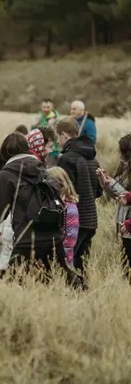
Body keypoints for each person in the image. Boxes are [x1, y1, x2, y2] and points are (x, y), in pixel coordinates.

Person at [0, 132, 66, 276]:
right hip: (52, 233)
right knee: (63, 277)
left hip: (26, 238)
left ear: (4, 152)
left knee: (12, 280)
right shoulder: (41, 168)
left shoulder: (5, 175)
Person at [56, 117, 101, 275]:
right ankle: (84, 295)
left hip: (73, 221)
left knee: (68, 266)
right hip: (91, 221)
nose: (57, 141)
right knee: (82, 266)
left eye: (58, 136)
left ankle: (70, 296)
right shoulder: (92, 158)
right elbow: (99, 191)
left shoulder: (68, 159)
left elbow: (63, 192)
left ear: (64, 135)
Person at [96, 134, 131, 276]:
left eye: (120, 150)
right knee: (125, 267)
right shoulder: (123, 170)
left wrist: (113, 183)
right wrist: (104, 183)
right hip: (122, 224)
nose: (117, 154)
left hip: (129, 226)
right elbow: (118, 197)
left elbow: (127, 197)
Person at [48, 167, 80, 269]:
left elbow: (70, 239)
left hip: (64, 259)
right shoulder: (51, 204)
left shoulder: (70, 208)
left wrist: (59, 254)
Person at [31, 98, 60, 164]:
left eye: (48, 107)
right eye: (44, 107)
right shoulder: (39, 118)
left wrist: (52, 126)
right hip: (40, 152)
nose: (46, 109)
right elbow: (32, 135)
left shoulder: (57, 120)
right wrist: (34, 125)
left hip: (53, 152)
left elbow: (58, 138)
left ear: (52, 107)